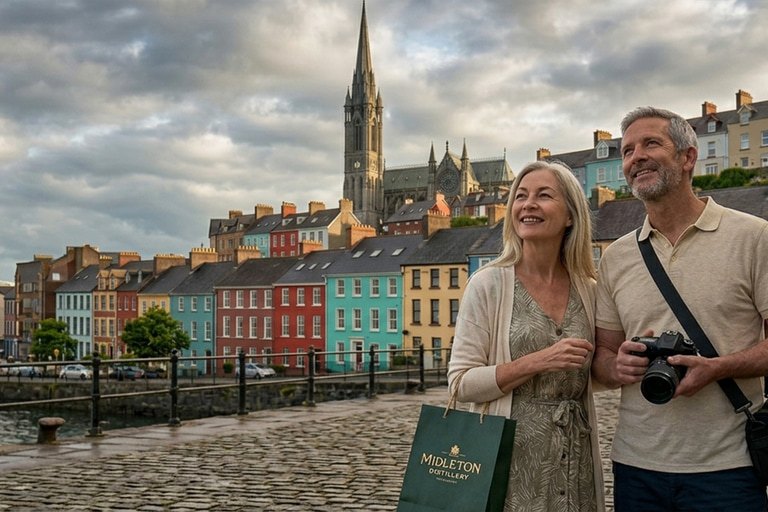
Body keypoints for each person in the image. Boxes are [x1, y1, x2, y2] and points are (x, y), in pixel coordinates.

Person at [592, 106, 768, 511]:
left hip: (729, 468)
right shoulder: (616, 257)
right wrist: (618, 366)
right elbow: (602, 357)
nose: (636, 156)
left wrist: (718, 368)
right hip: (637, 466)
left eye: (651, 143)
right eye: (627, 150)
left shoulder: (753, 237)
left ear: (688, 157)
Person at [448, 160, 605, 511]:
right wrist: (536, 361)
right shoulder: (488, 284)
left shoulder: (590, 289)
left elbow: (595, 373)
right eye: (520, 196)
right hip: (509, 461)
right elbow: (460, 384)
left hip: (573, 459)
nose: (528, 204)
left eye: (543, 195)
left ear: (570, 215)